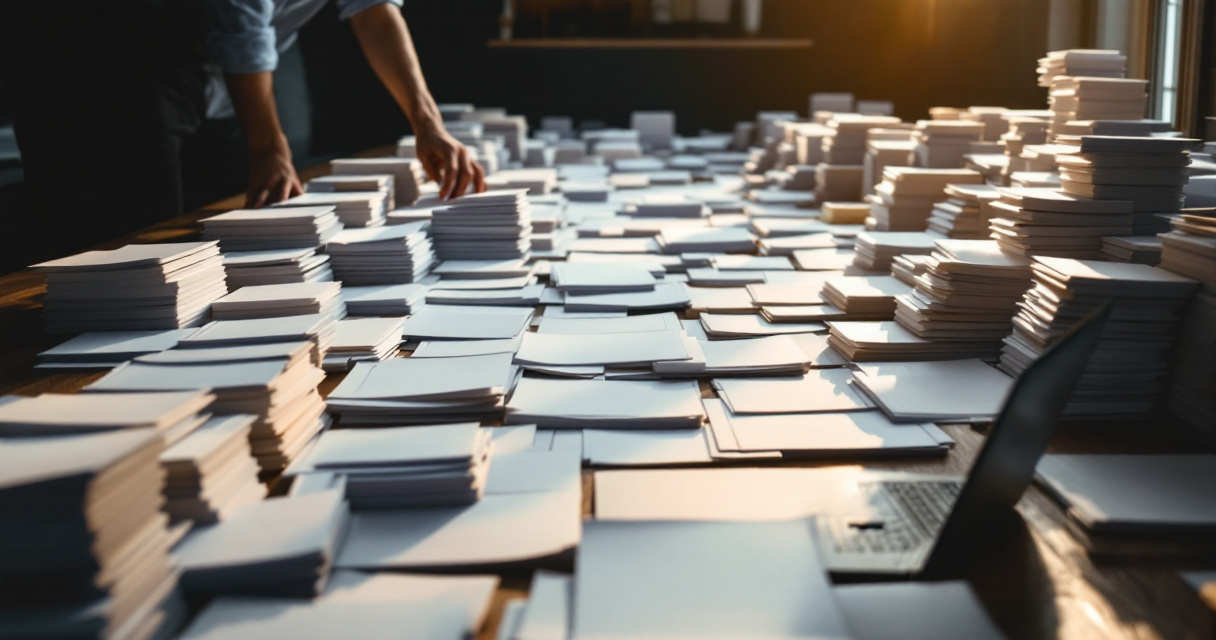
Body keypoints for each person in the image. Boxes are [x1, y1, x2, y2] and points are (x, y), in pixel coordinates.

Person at [204, 0, 485, 207]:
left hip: (272, 43)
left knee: (284, 170)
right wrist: (266, 148)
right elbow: (242, 39)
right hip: (185, 50)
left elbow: (375, 16)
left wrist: (428, 124)